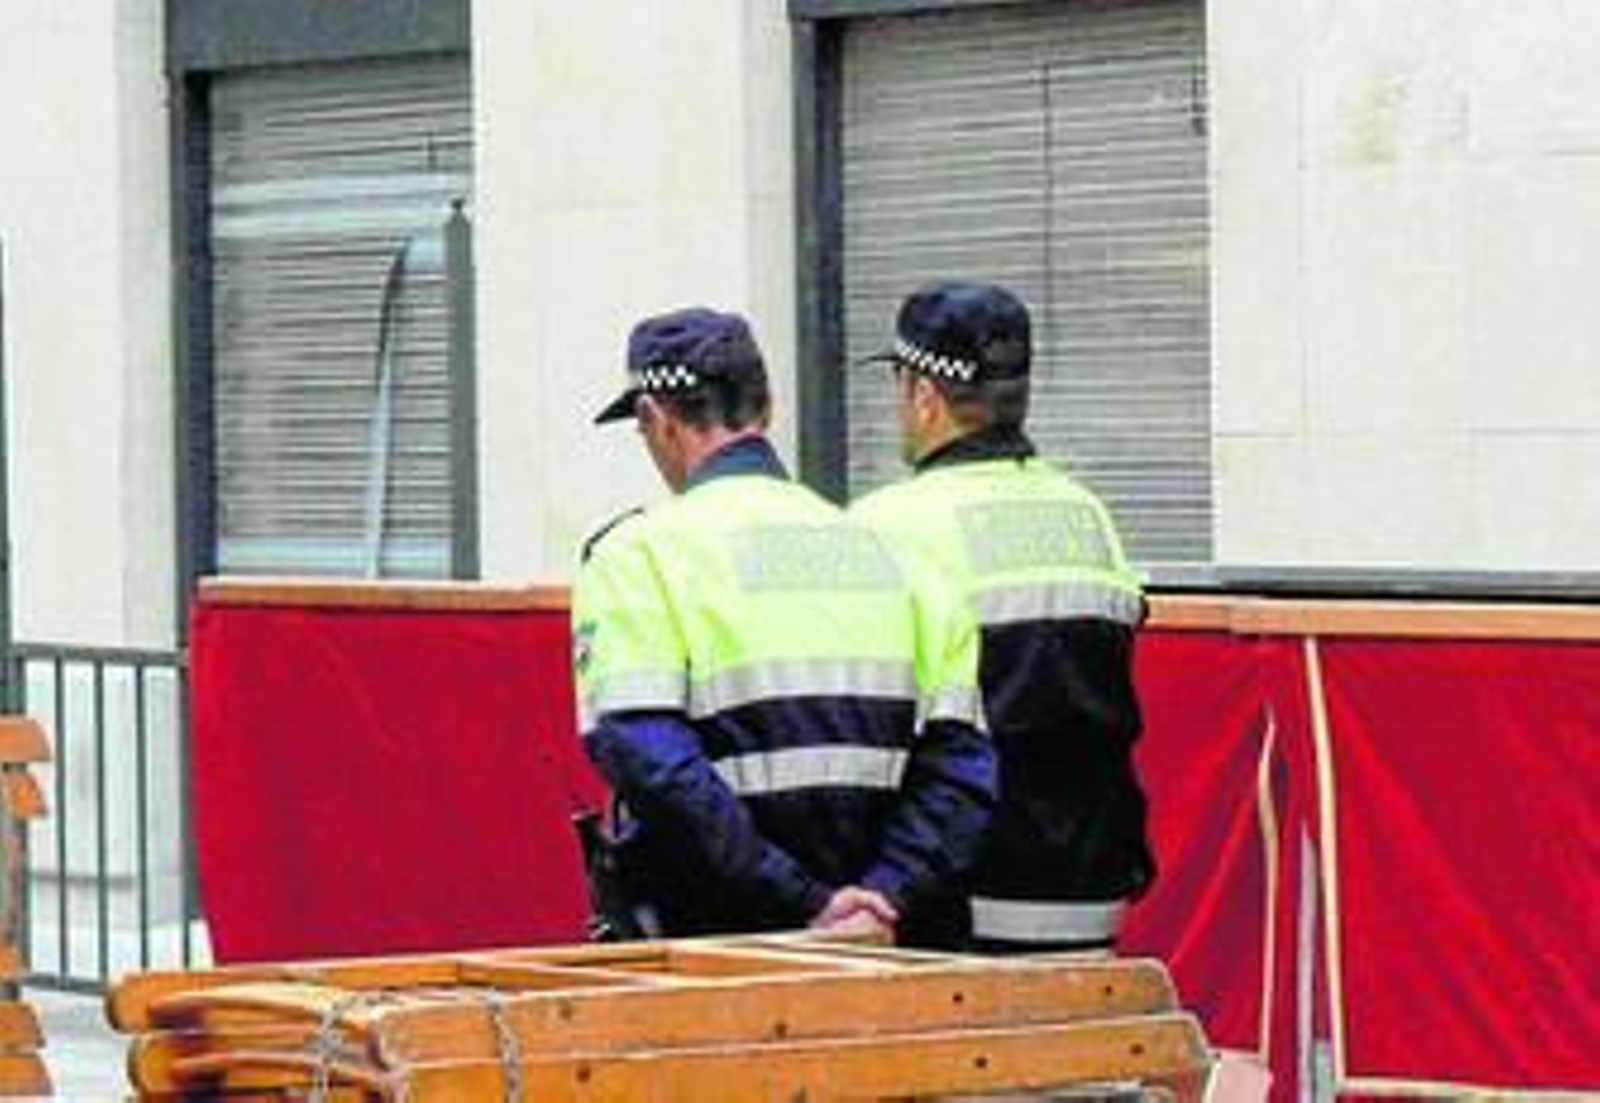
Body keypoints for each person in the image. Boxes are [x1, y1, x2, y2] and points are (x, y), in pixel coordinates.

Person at [571, 305, 995, 943]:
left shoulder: (637, 557)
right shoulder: (902, 556)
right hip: (890, 948)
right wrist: (881, 897)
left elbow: (651, 763)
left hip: (718, 952)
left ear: (654, 419)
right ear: (766, 408)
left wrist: (803, 903)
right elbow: (960, 768)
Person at [850, 281, 1154, 954]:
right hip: (1087, 890)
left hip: (953, 901)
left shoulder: (888, 525)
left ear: (924, 394)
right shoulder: (1088, 515)